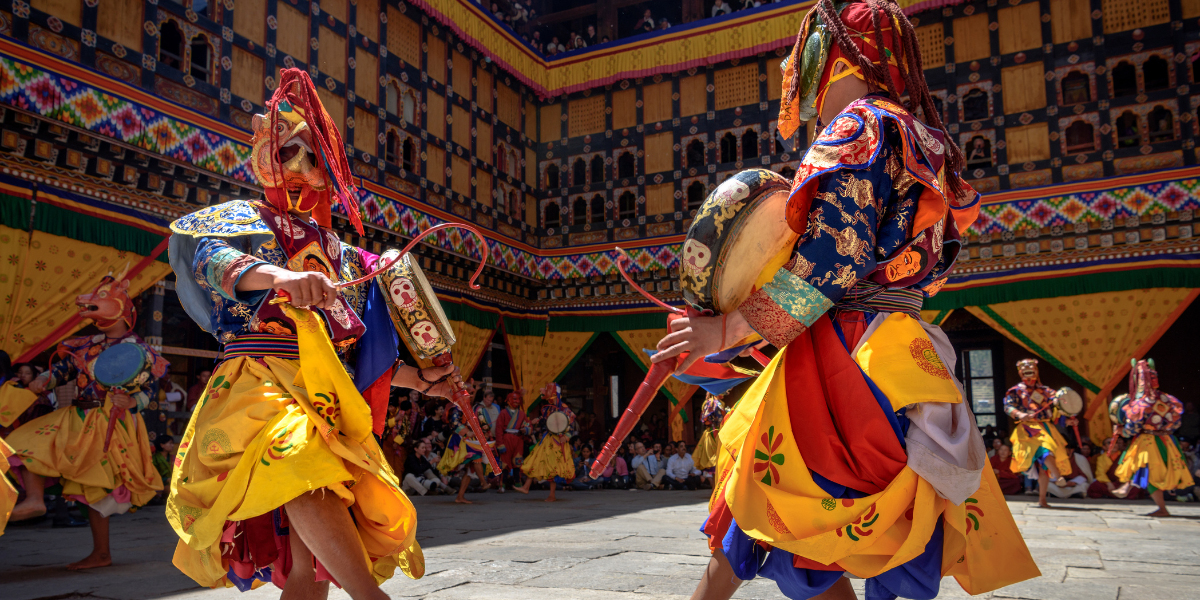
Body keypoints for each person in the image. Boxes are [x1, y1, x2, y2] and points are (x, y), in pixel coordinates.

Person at [650, 2, 1037, 598]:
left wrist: (725, 331)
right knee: (876, 530)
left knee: (765, 506)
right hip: (902, 348)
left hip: (844, 353)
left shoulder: (860, 126)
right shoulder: (919, 134)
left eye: (805, 60)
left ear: (837, 58)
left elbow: (834, 260)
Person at [164, 69, 475, 596]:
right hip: (260, 381)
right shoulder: (240, 219)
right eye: (289, 152)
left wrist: (424, 382)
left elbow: (356, 355)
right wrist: (285, 277)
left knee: (309, 569)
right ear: (266, 156)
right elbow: (218, 264)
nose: (303, 168)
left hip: (326, 387)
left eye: (316, 157)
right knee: (298, 460)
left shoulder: (345, 256)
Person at [3, 270, 168, 570]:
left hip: (108, 424)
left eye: (101, 299)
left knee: (94, 489)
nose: (90, 304)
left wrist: (132, 401)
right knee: (20, 445)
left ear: (120, 306)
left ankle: (101, 553)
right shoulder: (86, 344)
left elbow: (150, 391)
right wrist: (43, 379)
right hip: (75, 415)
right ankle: (35, 500)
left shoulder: (139, 350)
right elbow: (64, 370)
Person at [1111, 359, 1195, 516]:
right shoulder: (1169, 400)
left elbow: (1132, 428)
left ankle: (1132, 489)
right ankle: (1137, 492)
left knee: (1143, 467)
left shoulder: (1140, 403)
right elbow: (1176, 424)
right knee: (1153, 471)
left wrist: (1122, 432)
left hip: (1147, 441)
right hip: (1167, 441)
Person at [1005, 358, 1073, 509]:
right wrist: (1020, 414)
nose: (1028, 371)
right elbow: (1008, 406)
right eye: (1025, 369)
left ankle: (1042, 499)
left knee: (1044, 467)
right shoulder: (1015, 391)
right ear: (1020, 372)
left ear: (1036, 371)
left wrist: (1067, 420)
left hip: (1047, 428)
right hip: (1029, 429)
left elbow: (1058, 410)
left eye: (1031, 368)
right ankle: (1059, 476)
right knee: (1045, 450)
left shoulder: (1048, 392)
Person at [514, 383, 576, 501]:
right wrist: (536, 421)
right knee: (535, 460)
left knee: (552, 467)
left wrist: (567, 436)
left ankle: (552, 495)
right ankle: (526, 487)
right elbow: (545, 420)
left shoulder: (564, 408)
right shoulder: (549, 407)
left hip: (558, 442)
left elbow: (571, 424)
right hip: (547, 439)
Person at [496, 390, 532, 490]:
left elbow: (528, 425)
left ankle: (518, 483)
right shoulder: (503, 413)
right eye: (514, 399)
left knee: (518, 461)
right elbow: (498, 429)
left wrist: (526, 429)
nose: (517, 401)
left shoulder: (522, 414)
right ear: (508, 400)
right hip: (507, 438)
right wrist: (500, 444)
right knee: (504, 462)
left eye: (518, 399)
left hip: (518, 438)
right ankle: (502, 484)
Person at [694, 393, 727, 471]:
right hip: (714, 431)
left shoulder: (719, 403)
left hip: (717, 430)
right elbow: (707, 419)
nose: (726, 392)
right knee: (715, 457)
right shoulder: (711, 403)